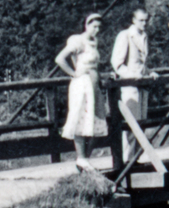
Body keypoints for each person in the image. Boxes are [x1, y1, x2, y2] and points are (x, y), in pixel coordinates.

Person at [55, 14, 103, 169]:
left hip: (94, 85)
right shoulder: (78, 40)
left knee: (97, 120)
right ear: (86, 25)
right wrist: (73, 73)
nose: (96, 30)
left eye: (99, 27)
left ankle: (84, 160)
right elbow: (60, 58)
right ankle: (81, 157)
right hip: (82, 84)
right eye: (94, 26)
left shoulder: (94, 42)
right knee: (81, 119)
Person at [110, 9, 149, 136]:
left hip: (142, 85)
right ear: (133, 20)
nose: (144, 23)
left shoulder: (144, 36)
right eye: (141, 20)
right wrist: (131, 76)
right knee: (132, 127)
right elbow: (117, 63)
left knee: (142, 125)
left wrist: (149, 72)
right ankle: (128, 156)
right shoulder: (125, 35)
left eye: (146, 20)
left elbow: (140, 63)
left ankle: (140, 155)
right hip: (129, 86)